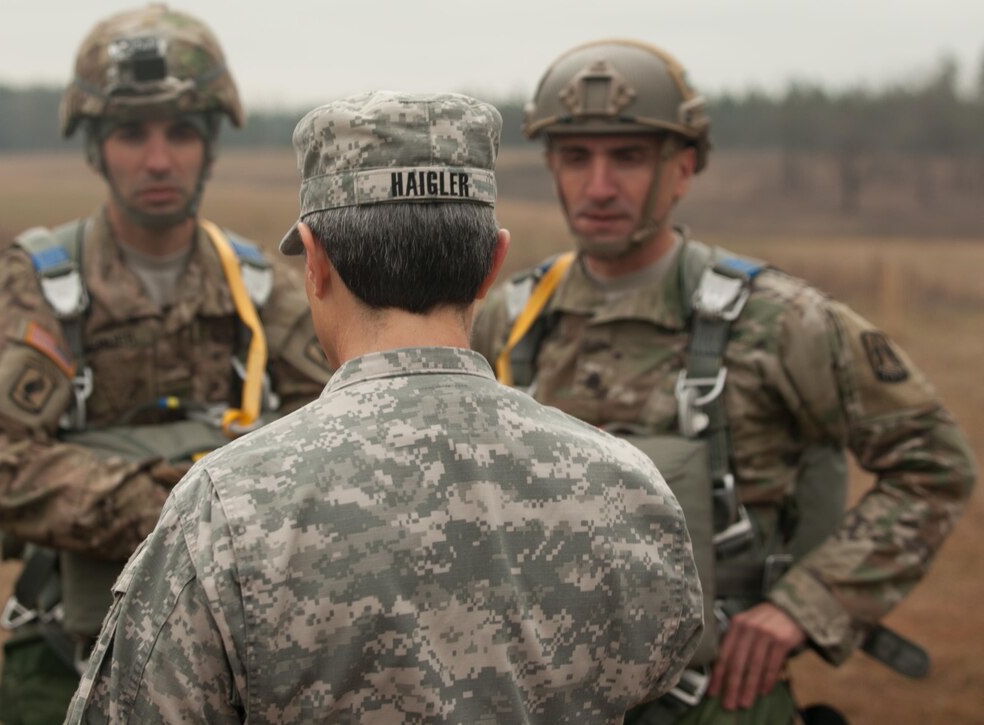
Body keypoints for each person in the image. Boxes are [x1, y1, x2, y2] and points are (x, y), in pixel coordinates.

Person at [64, 90, 704, 723]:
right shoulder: (623, 483)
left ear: (314, 263)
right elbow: (660, 663)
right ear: (493, 264)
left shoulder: (227, 505)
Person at [472, 39, 976, 724]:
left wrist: (806, 606)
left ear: (683, 168)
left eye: (628, 157)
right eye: (574, 156)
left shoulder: (780, 321)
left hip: (719, 704)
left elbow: (934, 464)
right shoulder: (509, 319)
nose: (597, 186)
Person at [0, 5, 329, 723]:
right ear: (96, 147)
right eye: (131, 133)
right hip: (67, 646)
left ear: (210, 144)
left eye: (182, 132)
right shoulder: (39, 285)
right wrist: (181, 506)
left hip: (241, 660)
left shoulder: (261, 292)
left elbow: (336, 434)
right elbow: (0, 459)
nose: (158, 160)